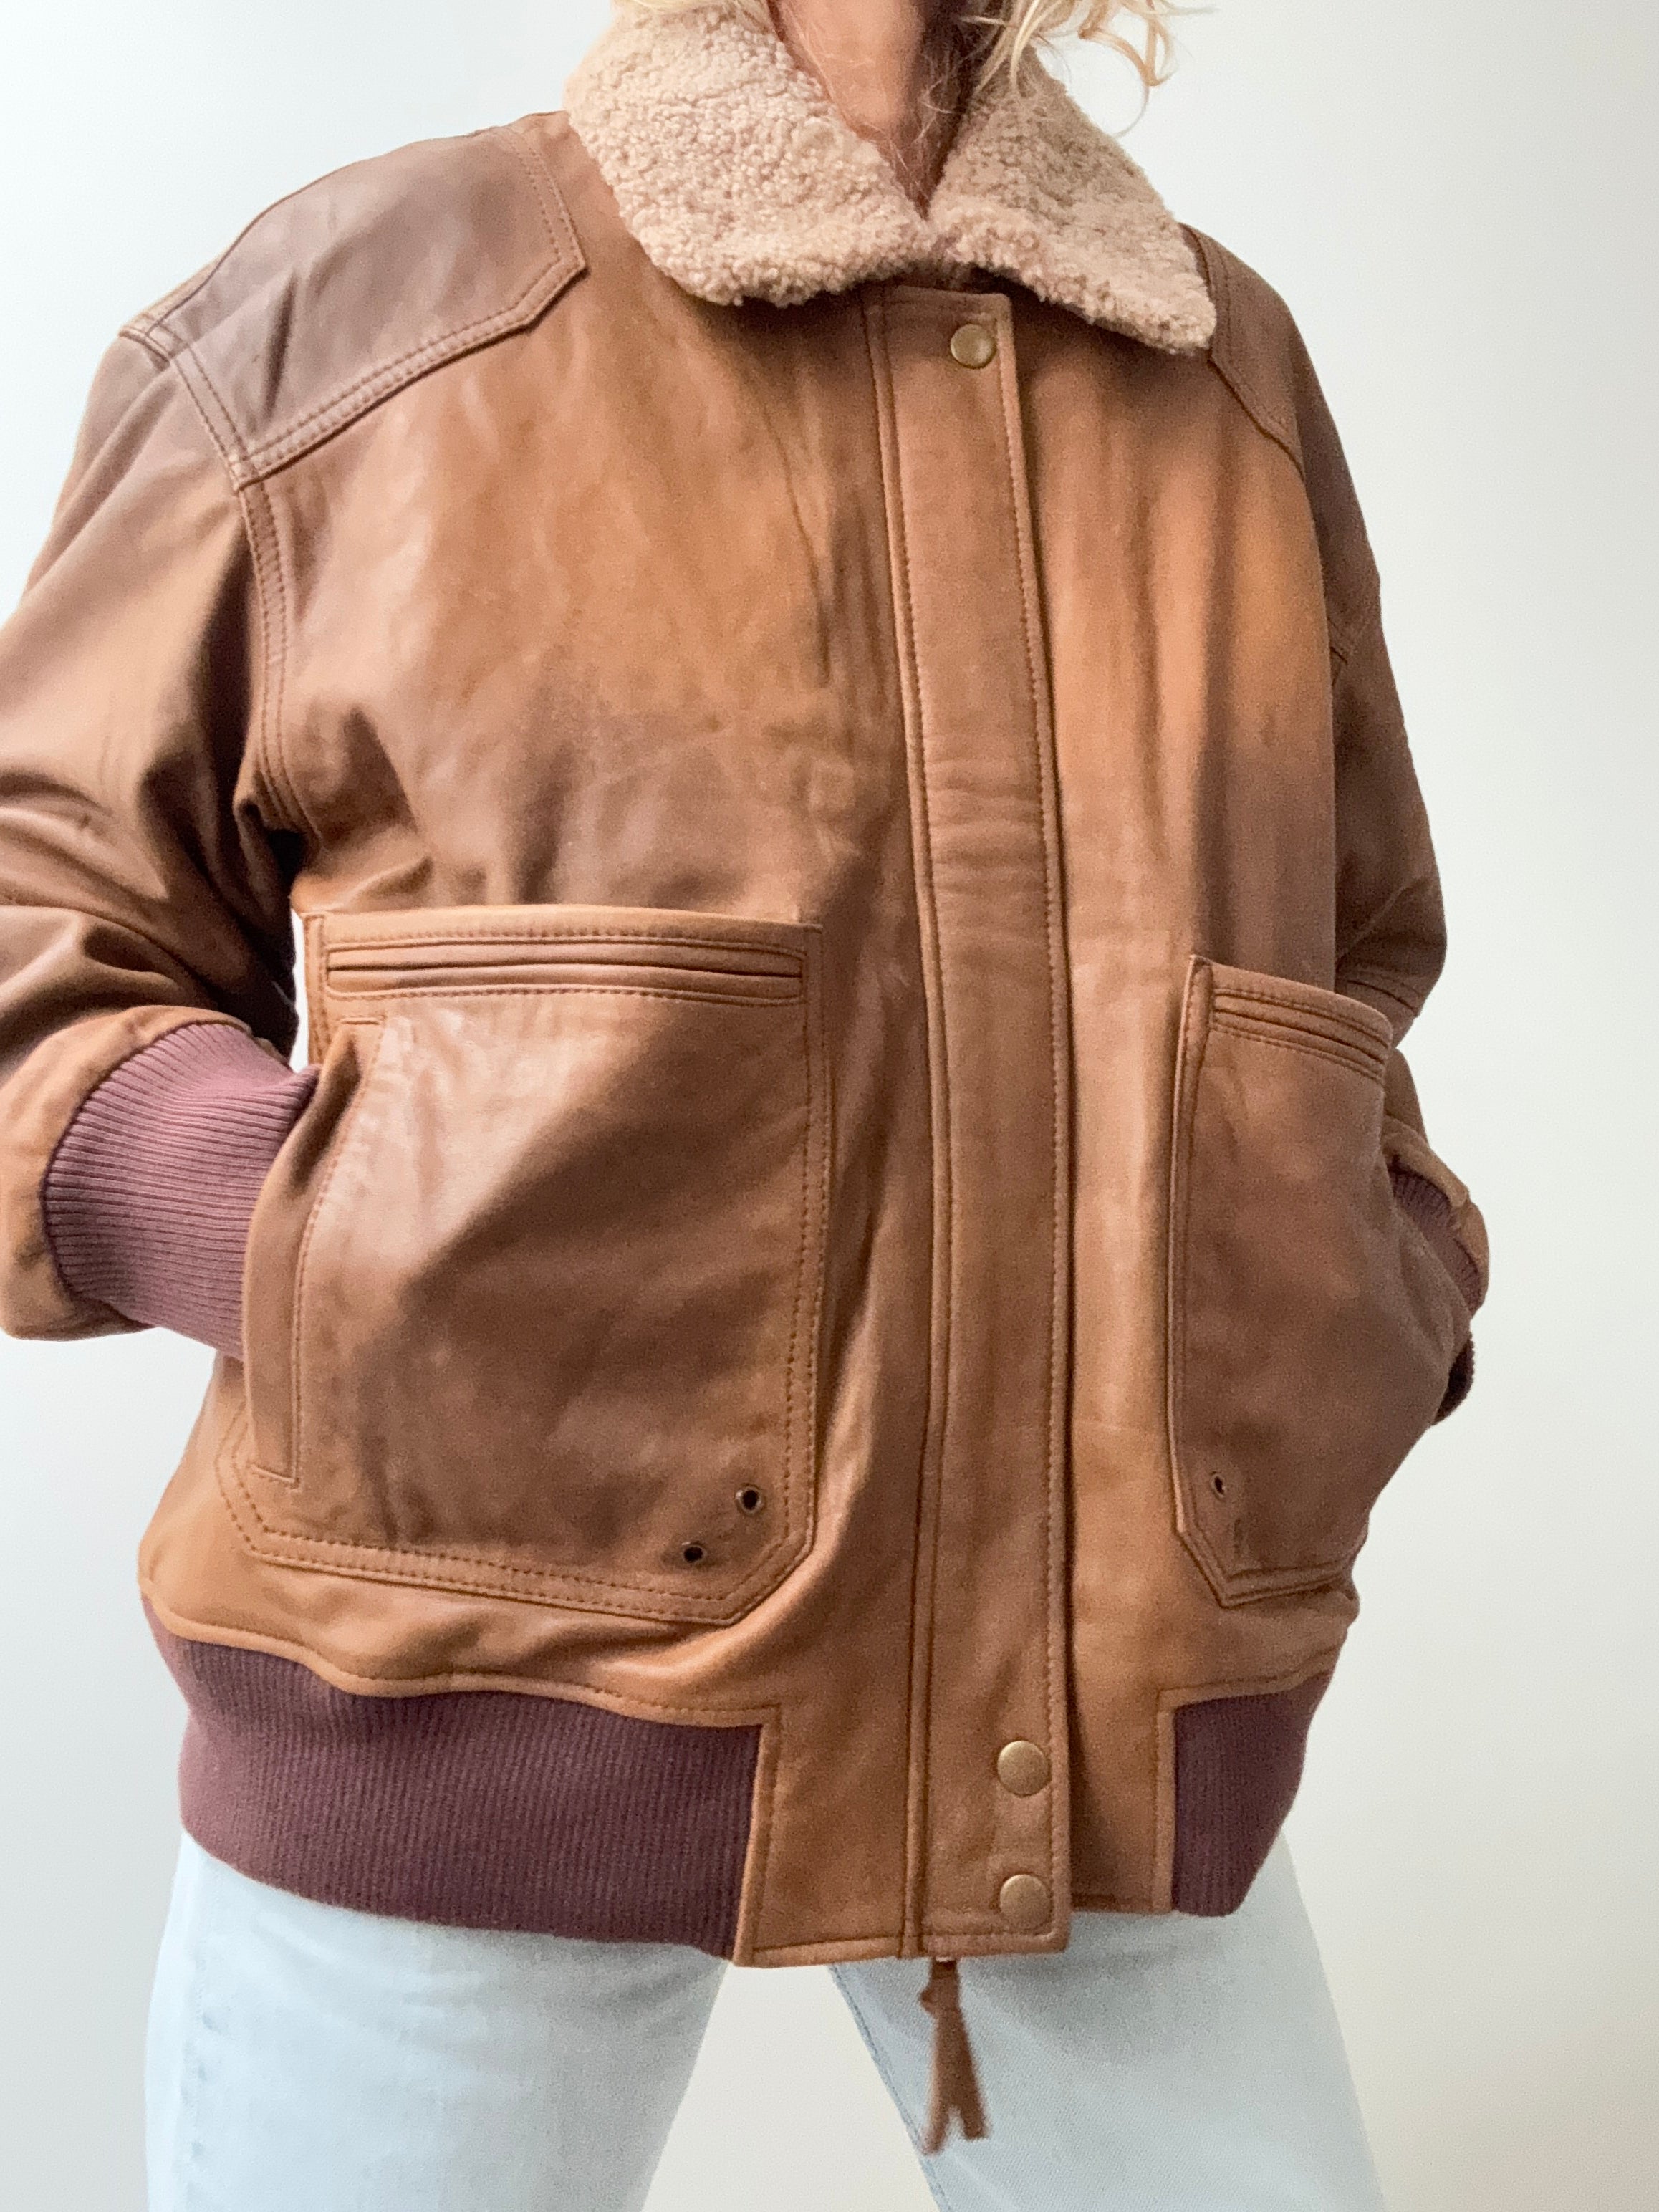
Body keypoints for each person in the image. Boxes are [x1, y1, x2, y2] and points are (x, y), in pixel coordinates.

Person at [0, 1, 1489, 2205]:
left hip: (1106, 1705)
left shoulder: (1218, 365)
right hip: (467, 1683)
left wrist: (1372, 1281)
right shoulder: (361, 302)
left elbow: (1345, 949)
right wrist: (343, 1263)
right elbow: (45, 925)